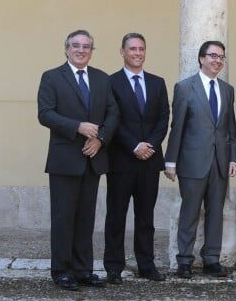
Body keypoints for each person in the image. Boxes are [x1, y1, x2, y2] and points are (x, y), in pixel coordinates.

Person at [37, 29, 119, 291]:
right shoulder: (51, 77)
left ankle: (83, 270)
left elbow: (113, 112)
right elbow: (45, 114)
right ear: (66, 49)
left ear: (92, 51)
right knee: (63, 218)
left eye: (86, 46)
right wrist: (78, 127)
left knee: (86, 218)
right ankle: (61, 271)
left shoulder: (102, 78)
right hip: (64, 160)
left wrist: (100, 139)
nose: (81, 50)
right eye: (76, 45)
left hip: (93, 158)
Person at [164, 41, 236, 278]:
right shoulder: (185, 88)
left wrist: (233, 157)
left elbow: (230, 128)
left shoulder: (227, 90)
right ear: (201, 59)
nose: (217, 60)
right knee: (190, 212)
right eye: (213, 56)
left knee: (216, 211)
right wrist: (171, 161)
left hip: (220, 162)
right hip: (192, 162)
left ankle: (212, 259)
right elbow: (177, 127)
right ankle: (184, 260)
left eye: (221, 57)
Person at [103, 33, 170, 283]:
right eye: (132, 49)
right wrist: (134, 145)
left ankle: (146, 264)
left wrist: (150, 144)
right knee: (116, 215)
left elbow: (164, 118)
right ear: (122, 52)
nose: (137, 53)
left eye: (141, 49)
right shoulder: (110, 82)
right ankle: (113, 266)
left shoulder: (157, 82)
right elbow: (111, 119)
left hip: (149, 159)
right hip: (121, 159)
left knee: (146, 217)